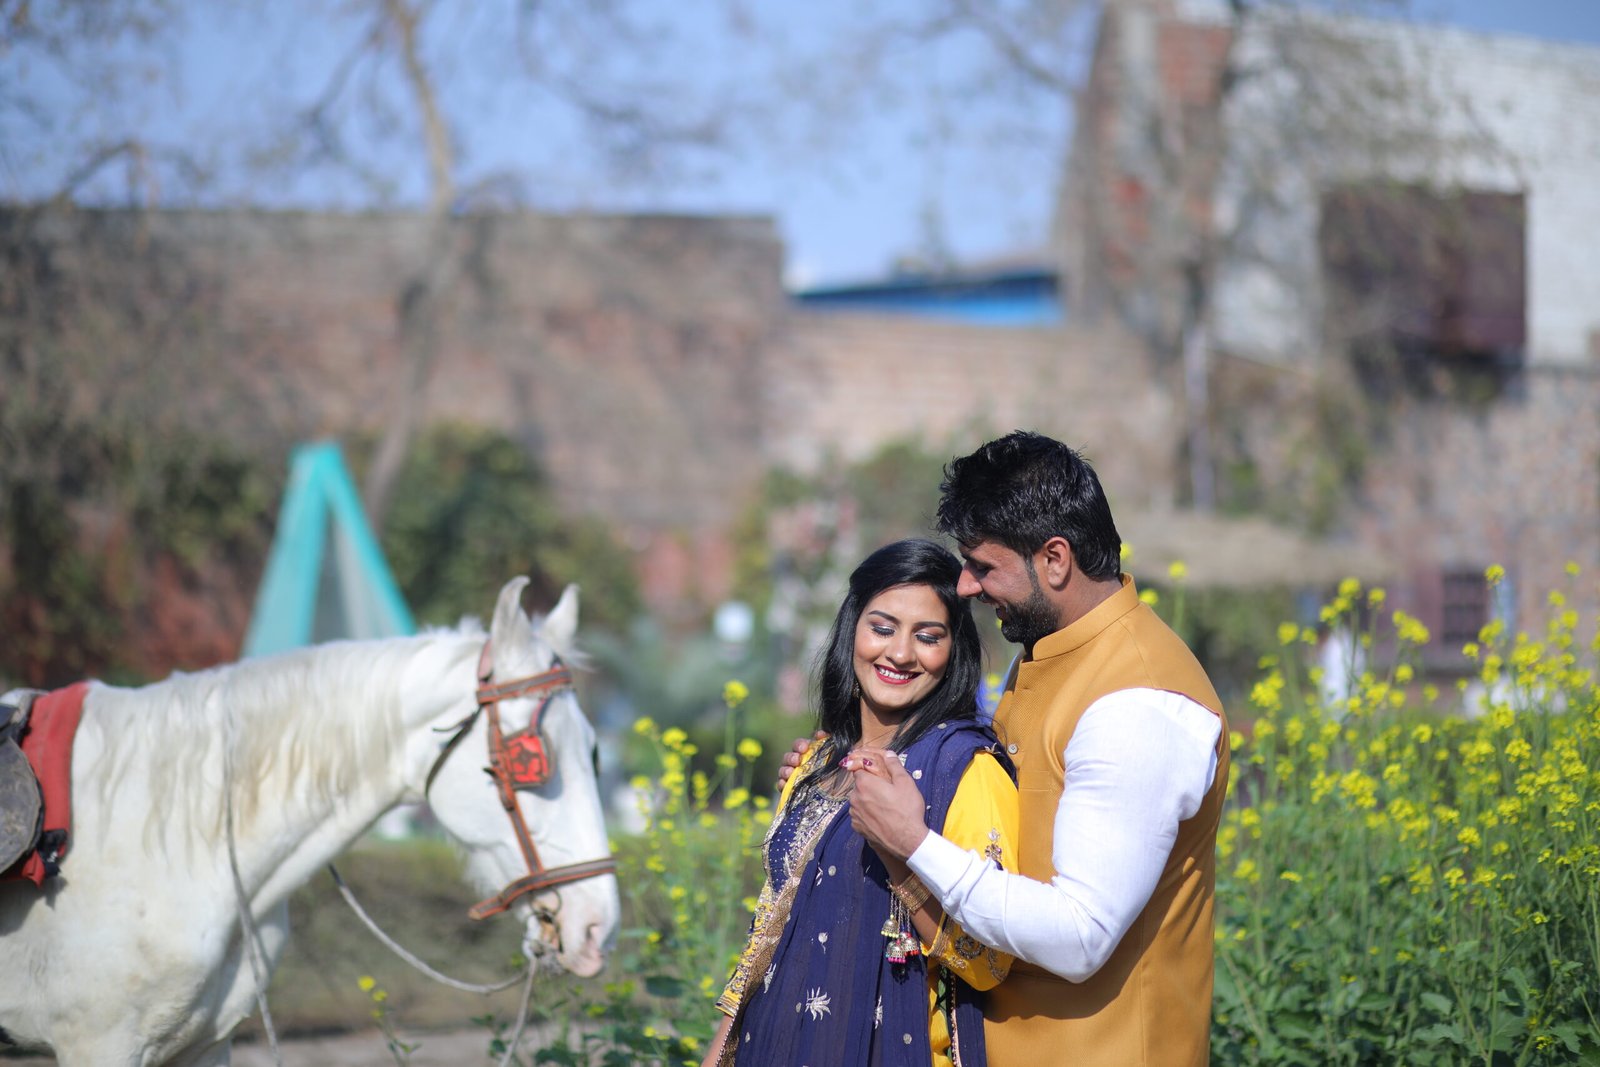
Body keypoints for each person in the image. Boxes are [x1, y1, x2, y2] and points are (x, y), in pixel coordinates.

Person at [829, 431, 1229, 1065]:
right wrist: (845, 767)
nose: (965, 586)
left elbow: (1080, 936)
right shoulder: (1054, 655)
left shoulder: (1139, 704)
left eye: (984, 567)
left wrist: (913, 842)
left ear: (1055, 559)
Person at [703, 538, 1019, 1067]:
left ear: (954, 651)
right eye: (883, 628)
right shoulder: (815, 763)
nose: (900, 653)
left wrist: (901, 850)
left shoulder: (968, 773)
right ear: (853, 630)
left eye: (928, 636)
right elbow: (767, 942)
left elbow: (988, 961)